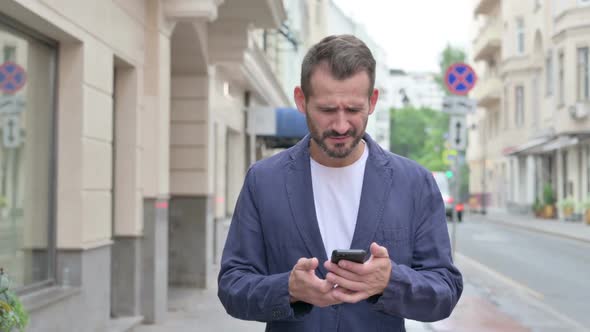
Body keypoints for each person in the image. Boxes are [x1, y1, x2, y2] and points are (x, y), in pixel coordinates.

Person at [218, 34, 463, 332]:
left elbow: (445, 290)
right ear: (301, 100)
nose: (341, 125)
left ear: (372, 101)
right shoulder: (264, 180)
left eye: (353, 110)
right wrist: (289, 288)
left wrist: (389, 280)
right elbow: (232, 286)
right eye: (327, 110)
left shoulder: (414, 183)